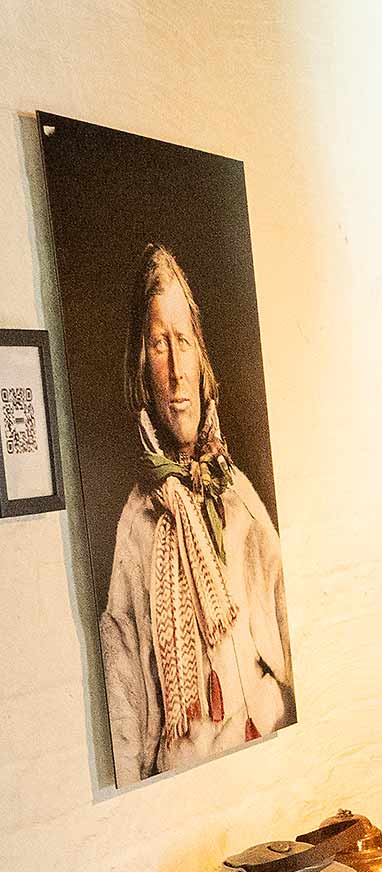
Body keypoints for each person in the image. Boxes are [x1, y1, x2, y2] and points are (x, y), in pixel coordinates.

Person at [98, 243, 294, 779]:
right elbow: (123, 680)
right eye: (160, 345)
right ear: (143, 369)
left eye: (182, 341)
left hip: (264, 743)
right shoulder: (138, 525)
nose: (177, 372)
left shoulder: (236, 495)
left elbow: (288, 615)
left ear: (201, 360)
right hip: (190, 775)